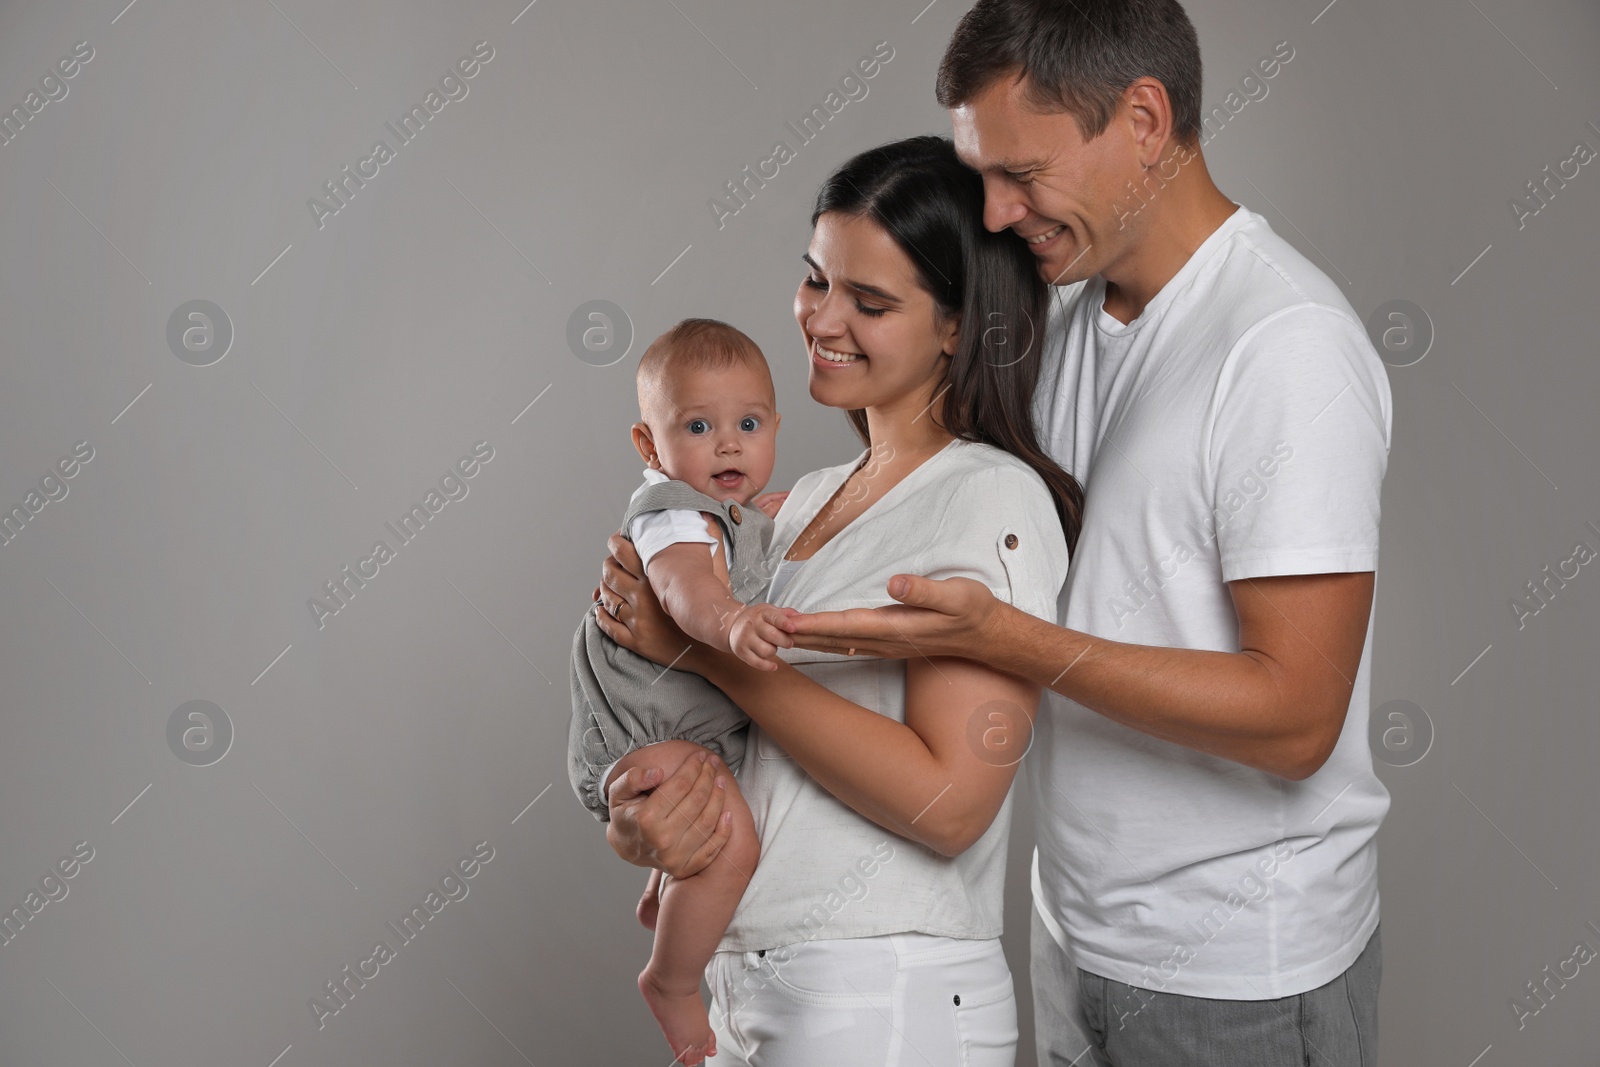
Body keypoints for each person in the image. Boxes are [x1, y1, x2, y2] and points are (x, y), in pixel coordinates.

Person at [762, 1, 1391, 1063]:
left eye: (1021, 174)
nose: (996, 215)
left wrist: (1010, 643)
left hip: (1239, 975)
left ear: (1144, 119)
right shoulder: (1064, 322)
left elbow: (1296, 718)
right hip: (1070, 941)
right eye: (982, 176)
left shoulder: (1283, 345)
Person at [593, 134, 1082, 1066]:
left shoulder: (988, 494)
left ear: (955, 324)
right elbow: (763, 756)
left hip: (879, 996)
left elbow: (950, 801)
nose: (823, 319)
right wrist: (656, 819)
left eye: (871, 301)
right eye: (817, 279)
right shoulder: (806, 498)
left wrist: (706, 652)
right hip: (755, 980)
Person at [567, 317, 795, 1065]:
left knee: (711, 830)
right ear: (650, 446)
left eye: (748, 423)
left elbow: (737, 547)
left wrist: (769, 522)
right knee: (732, 847)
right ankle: (670, 979)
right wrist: (730, 623)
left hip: (675, 725)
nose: (728, 443)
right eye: (698, 425)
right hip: (641, 725)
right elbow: (688, 588)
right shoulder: (672, 514)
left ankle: (674, 891)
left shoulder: (721, 513)